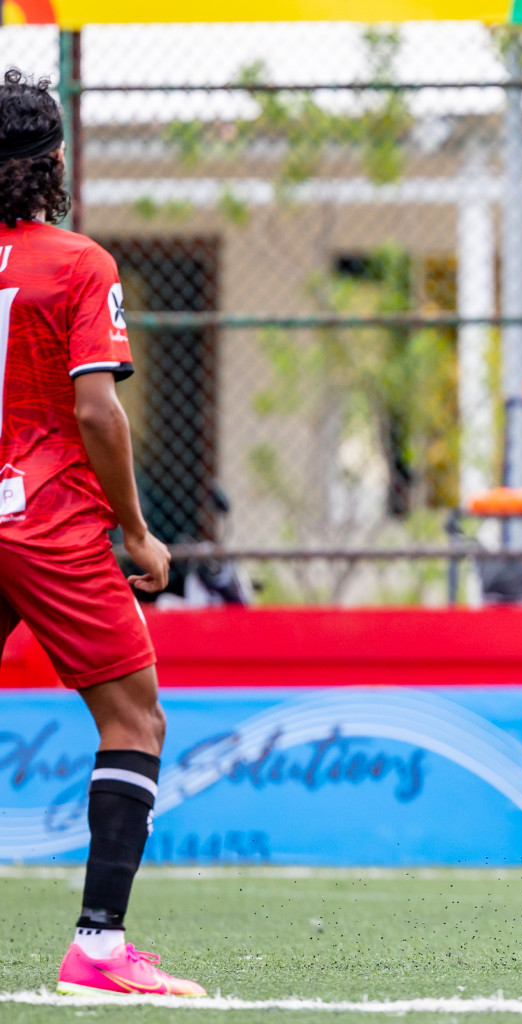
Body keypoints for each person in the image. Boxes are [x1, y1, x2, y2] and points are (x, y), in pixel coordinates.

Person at [0, 69, 202, 998]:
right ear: (53, 163)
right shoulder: (79, 263)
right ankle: (99, 947)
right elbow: (98, 413)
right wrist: (137, 532)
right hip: (46, 520)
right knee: (133, 719)